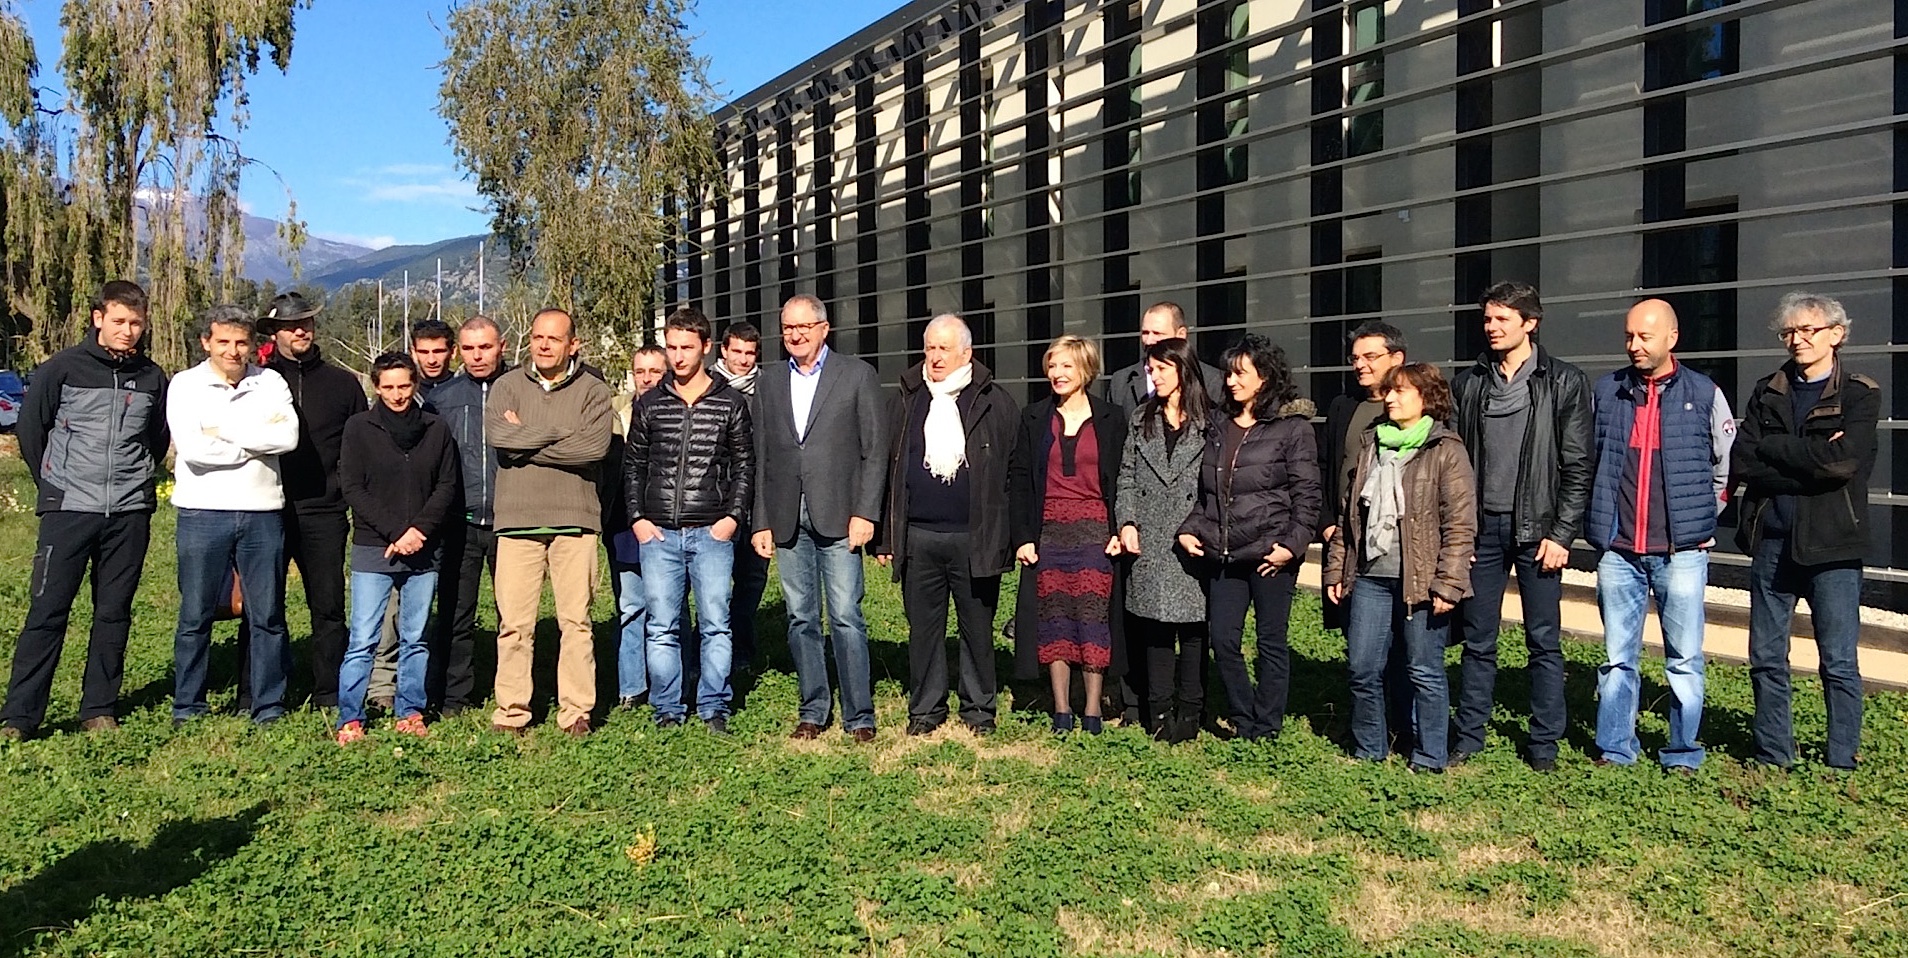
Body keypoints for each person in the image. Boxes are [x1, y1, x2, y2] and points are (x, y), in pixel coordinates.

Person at [0, 281, 169, 740]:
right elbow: (31, 431)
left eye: (136, 323)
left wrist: (135, 482)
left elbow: (157, 440)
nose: (128, 331)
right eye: (119, 321)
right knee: (47, 611)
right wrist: (54, 485)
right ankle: (19, 717)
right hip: (69, 509)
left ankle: (99, 707)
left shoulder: (153, 377)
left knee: (113, 612)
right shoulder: (62, 369)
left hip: (129, 512)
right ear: (98, 318)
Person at [1448, 282, 1593, 772]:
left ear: (1530, 324)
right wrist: (1460, 531)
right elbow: (1457, 463)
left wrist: (1562, 533)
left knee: (1543, 640)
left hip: (1539, 531)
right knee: (1477, 638)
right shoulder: (1470, 383)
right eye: (1487, 319)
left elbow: (1577, 465)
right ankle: (1469, 737)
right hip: (1482, 530)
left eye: (1502, 320)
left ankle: (1544, 745)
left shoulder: (1563, 382)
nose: (1491, 328)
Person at [1588, 298, 1734, 772]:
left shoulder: (1705, 394)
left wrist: (1702, 519)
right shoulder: (1607, 392)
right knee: (1616, 659)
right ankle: (1615, 747)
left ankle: (1683, 751)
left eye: (1645, 337)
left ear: (1672, 338)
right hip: (1619, 551)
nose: (1634, 345)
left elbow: (1724, 466)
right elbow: (1588, 461)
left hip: (1682, 553)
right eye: (1629, 336)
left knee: (1685, 658)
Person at [1733, 292, 1876, 771]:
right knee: (1766, 657)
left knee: (1838, 661)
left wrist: (1777, 449)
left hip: (1833, 546)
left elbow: (1843, 464)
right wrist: (1807, 457)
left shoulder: (1859, 393)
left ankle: (1841, 761)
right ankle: (1774, 755)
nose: (1797, 340)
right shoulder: (1767, 389)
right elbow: (1744, 460)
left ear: (1837, 334)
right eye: (1788, 332)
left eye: (1807, 330)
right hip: (1772, 542)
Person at [1323, 363, 1475, 772]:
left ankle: (1429, 756)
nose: (1389, 398)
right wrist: (1336, 569)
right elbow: (1348, 517)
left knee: (1424, 671)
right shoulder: (1373, 444)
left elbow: (1460, 525)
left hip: (1422, 581)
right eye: (1388, 392)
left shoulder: (1446, 449)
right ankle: (1370, 748)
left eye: (1400, 392)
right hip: (1370, 576)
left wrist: (1449, 583)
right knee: (1361, 667)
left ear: (1427, 398)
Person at [752, 294, 890, 743]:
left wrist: (866, 512)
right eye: (787, 328)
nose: (794, 335)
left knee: (847, 616)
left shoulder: (856, 375)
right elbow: (762, 457)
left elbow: (875, 451)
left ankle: (859, 715)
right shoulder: (769, 382)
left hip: (841, 516)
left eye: (803, 327)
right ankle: (813, 708)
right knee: (800, 617)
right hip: (788, 515)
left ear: (823, 328)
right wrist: (762, 520)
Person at [877, 314, 1018, 737]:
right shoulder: (906, 399)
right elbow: (890, 471)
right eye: (930, 348)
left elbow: (1011, 472)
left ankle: (978, 710)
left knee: (977, 630)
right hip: (919, 536)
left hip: (974, 537)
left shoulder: (995, 401)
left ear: (966, 353)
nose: (935, 357)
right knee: (924, 630)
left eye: (944, 348)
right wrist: (888, 535)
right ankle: (925, 710)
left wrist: (1005, 536)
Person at [1175, 334, 1319, 743]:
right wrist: (1189, 529)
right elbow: (1206, 492)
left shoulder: (1292, 429)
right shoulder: (1218, 425)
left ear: (1265, 378)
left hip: (1271, 555)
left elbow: (1306, 495)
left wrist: (1290, 546)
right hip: (1226, 555)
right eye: (1229, 374)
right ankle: (1244, 715)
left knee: (1271, 643)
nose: (1231, 382)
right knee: (1223, 640)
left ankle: (1267, 726)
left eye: (1241, 374)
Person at [167, 305, 301, 726]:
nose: (232, 350)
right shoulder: (185, 385)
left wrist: (224, 430)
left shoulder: (271, 381)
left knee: (268, 615)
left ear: (251, 345)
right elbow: (194, 451)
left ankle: (268, 705)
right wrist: (255, 439)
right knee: (196, 614)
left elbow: (288, 437)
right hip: (202, 512)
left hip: (262, 512)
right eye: (223, 341)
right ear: (206, 342)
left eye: (241, 342)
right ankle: (188, 705)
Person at [486, 308, 615, 737]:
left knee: (576, 623)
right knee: (514, 625)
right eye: (538, 337)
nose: (542, 345)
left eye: (553, 339)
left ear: (572, 345)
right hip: (517, 522)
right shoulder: (505, 386)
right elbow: (499, 439)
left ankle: (576, 711)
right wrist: (560, 434)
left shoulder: (594, 392)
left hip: (574, 522)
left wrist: (527, 436)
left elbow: (592, 449)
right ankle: (512, 712)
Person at [625, 308, 754, 732]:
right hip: (659, 532)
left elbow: (744, 466)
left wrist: (732, 518)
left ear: (705, 347)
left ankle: (714, 705)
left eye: (686, 347)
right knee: (662, 626)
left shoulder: (729, 403)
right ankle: (667, 709)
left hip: (713, 531)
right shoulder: (650, 402)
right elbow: (633, 467)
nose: (677, 356)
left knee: (716, 624)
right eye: (672, 347)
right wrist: (639, 518)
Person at [1101, 301, 1224, 723]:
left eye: (1160, 370)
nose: (1151, 376)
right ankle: (1156, 711)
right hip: (1151, 538)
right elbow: (1127, 476)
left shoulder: (1211, 421)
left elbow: (1217, 483)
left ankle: (1190, 713)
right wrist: (1128, 521)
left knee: (1193, 631)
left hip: (1192, 540)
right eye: (1149, 370)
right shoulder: (1142, 418)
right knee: (1153, 628)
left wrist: (1204, 527)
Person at [334, 354, 459, 745]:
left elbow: (446, 485)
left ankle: (410, 710)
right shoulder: (359, 428)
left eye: (404, 386)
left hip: (423, 549)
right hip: (375, 548)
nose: (397, 394)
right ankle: (350, 716)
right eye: (388, 386)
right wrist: (395, 532)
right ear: (376, 387)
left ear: (416, 385)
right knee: (363, 639)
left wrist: (419, 530)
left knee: (415, 637)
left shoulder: (436, 428)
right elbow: (353, 486)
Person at [1010, 335, 1126, 734]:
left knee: (1093, 619)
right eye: (1052, 366)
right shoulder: (1034, 417)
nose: (1057, 373)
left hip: (1096, 529)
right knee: (1054, 617)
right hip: (1050, 530)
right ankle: (1061, 709)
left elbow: (1123, 478)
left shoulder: (1112, 418)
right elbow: (1021, 479)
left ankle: (1092, 708)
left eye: (1066, 366)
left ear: (1086, 370)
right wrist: (1024, 536)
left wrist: (1120, 527)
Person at [256, 291, 366, 708]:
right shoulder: (259, 381)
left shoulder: (342, 384)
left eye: (306, 323)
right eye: (289, 325)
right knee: (263, 606)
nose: (300, 330)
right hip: (266, 508)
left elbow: (359, 446)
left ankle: (329, 692)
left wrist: (346, 492)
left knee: (328, 607)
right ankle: (261, 691)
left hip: (324, 510)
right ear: (275, 333)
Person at [366, 317, 464, 712]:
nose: (432, 359)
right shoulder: (386, 405)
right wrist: (395, 527)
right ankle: (382, 689)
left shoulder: (458, 394)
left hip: (441, 516)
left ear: (450, 351)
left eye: (439, 350)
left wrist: (423, 525)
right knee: (388, 614)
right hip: (390, 526)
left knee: (435, 612)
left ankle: (431, 688)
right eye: (423, 352)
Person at [424, 316, 511, 716]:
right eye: (470, 348)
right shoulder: (442, 398)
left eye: (486, 347)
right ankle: (454, 696)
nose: (478, 356)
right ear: (459, 351)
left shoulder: (520, 390)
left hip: (511, 521)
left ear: (502, 346)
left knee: (513, 616)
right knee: (456, 613)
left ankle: (515, 692)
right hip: (459, 522)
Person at [607, 344, 668, 710]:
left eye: (654, 372)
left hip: (666, 523)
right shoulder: (614, 411)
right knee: (631, 605)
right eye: (640, 371)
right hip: (623, 523)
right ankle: (631, 686)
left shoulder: (676, 408)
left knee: (668, 606)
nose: (646, 379)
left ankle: (672, 683)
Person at [712, 322, 769, 673]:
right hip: (719, 500)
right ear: (723, 351)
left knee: (752, 578)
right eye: (737, 352)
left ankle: (742, 648)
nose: (744, 360)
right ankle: (714, 650)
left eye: (750, 353)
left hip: (758, 500)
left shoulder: (767, 389)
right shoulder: (708, 387)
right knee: (715, 581)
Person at [1105, 301, 1227, 414]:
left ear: (1181, 334)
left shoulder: (1213, 381)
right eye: (1145, 333)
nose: (1149, 341)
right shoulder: (1121, 382)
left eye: (1157, 333)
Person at [410, 319, 458, 405]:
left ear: (453, 352)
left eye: (438, 352)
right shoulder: (404, 394)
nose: (431, 361)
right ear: (413, 353)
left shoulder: (467, 392)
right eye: (423, 352)